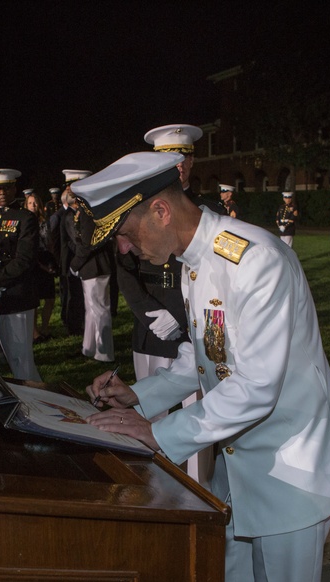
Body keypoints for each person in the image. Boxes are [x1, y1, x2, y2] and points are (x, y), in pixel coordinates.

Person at [74, 151, 330, 582]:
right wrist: (140, 396)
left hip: (293, 468)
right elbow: (207, 356)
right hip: (244, 461)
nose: (123, 248)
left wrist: (156, 436)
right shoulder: (197, 261)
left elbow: (256, 386)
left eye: (124, 233)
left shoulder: (253, 261)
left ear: (161, 211)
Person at [132, 123, 210, 481]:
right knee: (151, 413)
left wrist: (180, 317)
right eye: (169, 160)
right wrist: (150, 313)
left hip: (193, 324)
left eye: (183, 158)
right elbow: (123, 268)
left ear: (192, 162)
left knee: (199, 415)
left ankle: (198, 485)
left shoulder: (205, 210)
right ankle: (160, 482)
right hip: (150, 323)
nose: (178, 166)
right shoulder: (139, 208)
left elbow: (207, 279)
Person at [0, 168, 42, 381]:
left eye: (6, 187)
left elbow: (24, 259)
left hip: (19, 294)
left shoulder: (26, 218)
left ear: (14, 188)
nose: (2, 193)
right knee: (10, 355)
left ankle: (38, 402)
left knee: (22, 360)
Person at [70, 186, 116, 363]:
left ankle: (104, 352)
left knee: (99, 310)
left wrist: (75, 264)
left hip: (95, 266)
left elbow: (87, 243)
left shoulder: (88, 210)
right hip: (91, 266)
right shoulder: (86, 208)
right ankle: (89, 347)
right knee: (92, 309)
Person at [56, 172, 88, 335]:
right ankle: (73, 325)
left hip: (77, 260)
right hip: (73, 261)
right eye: (68, 185)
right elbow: (76, 242)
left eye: (72, 185)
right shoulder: (69, 215)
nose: (68, 188)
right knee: (73, 296)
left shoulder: (80, 211)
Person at [25, 189, 56, 342]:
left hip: (46, 257)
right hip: (33, 261)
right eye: (30, 203)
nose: (33, 205)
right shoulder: (25, 222)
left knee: (50, 298)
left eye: (35, 202)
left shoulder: (44, 222)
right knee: (35, 300)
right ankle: (34, 332)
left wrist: (51, 261)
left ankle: (45, 327)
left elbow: (49, 241)